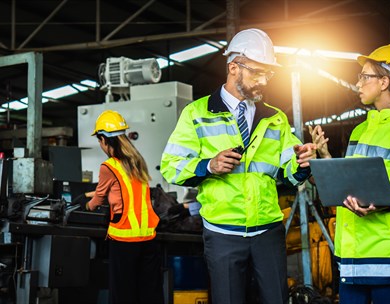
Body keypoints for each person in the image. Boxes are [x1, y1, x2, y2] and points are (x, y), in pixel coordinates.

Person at [160, 28, 317, 304]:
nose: (263, 80)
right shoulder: (196, 114)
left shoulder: (276, 119)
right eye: (257, 72)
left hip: (267, 230)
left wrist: (302, 162)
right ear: (233, 67)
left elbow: (290, 174)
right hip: (223, 233)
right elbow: (171, 167)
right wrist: (208, 165)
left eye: (268, 74)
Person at [311, 44, 390, 304]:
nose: (358, 83)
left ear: (384, 81)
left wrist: (377, 205)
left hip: (387, 254)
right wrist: (324, 157)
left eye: (364, 76)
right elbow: (351, 183)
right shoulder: (361, 130)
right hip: (353, 255)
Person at [84, 110, 163, 304]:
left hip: (125, 238)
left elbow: (98, 201)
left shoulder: (108, 166)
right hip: (147, 235)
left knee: (123, 294)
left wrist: (86, 204)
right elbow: (127, 190)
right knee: (149, 292)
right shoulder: (137, 161)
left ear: (103, 140)